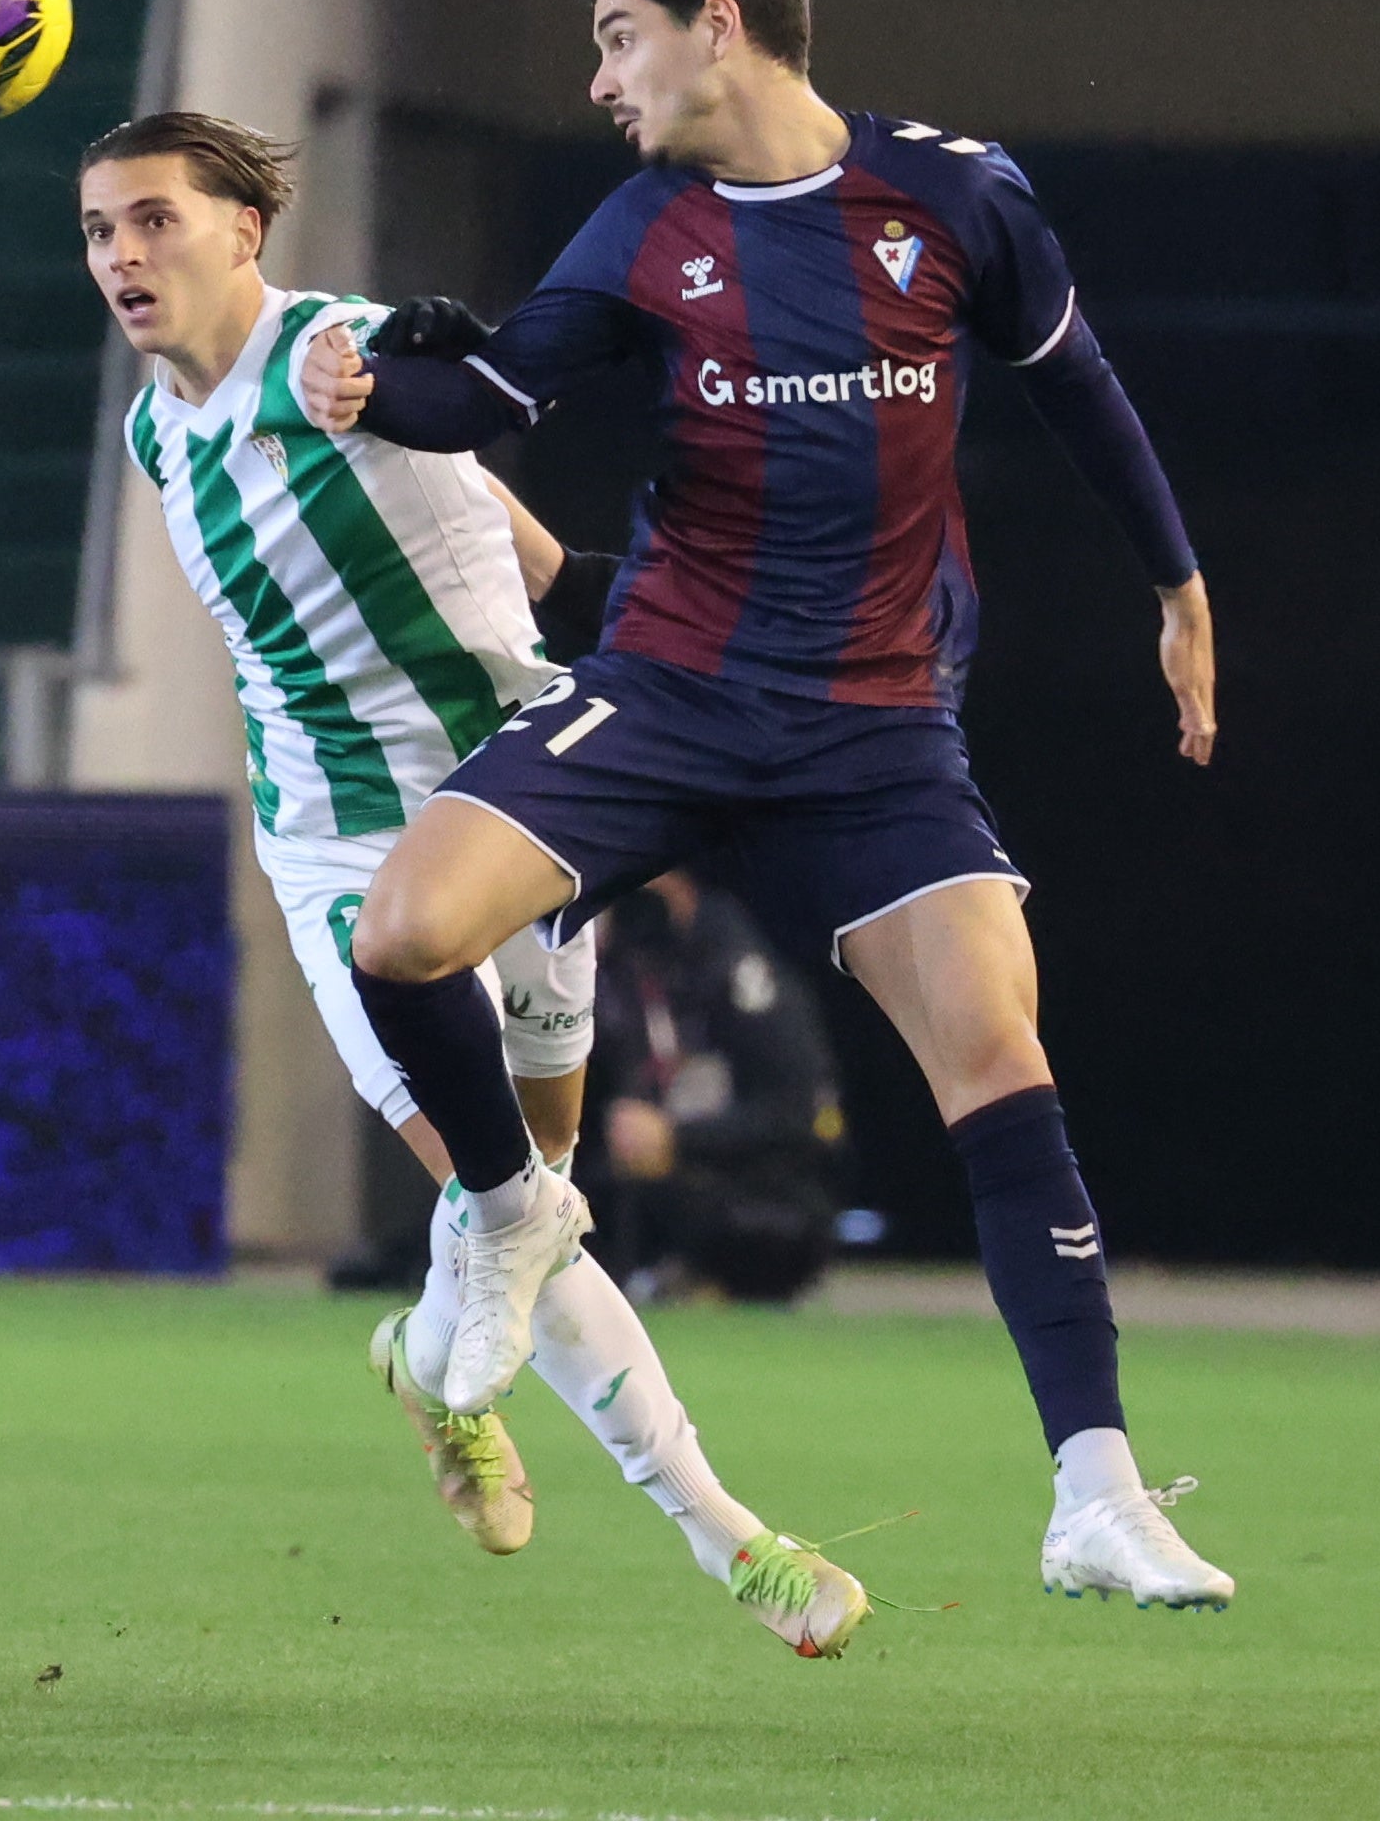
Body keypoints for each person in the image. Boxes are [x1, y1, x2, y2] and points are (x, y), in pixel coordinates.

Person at [298, 0, 1234, 1610]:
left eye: (619, 39)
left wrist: (1176, 585)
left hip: (874, 730)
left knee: (998, 1056)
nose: (598, 80)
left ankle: (1095, 1493)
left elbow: (1080, 389)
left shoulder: (953, 197)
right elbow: (492, 395)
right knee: (403, 934)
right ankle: (507, 1212)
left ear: (718, 26)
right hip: (663, 689)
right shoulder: (648, 224)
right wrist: (369, 382)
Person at [74, 110, 868, 1658]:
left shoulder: (335, 355)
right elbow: (511, 535)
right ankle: (733, 1540)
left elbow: (434, 384)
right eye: (100, 229)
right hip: (341, 850)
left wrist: (415, 389)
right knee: (515, 1203)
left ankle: (433, 1368)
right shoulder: (154, 431)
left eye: (154, 219)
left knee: (529, 1192)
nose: (120, 254)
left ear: (244, 231)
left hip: (518, 803)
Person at [588, 871, 846, 1305]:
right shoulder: (628, 968)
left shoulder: (736, 967)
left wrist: (677, 1139)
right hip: (651, 1197)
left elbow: (799, 1113)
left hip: (759, 1202)